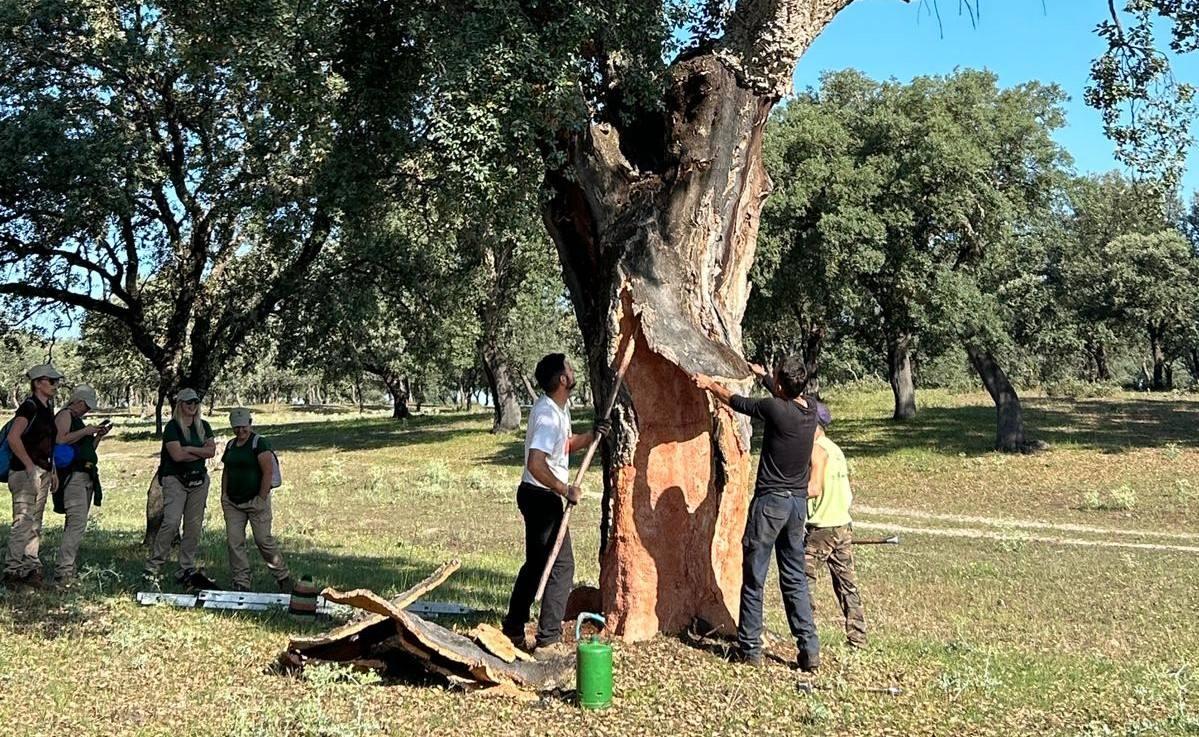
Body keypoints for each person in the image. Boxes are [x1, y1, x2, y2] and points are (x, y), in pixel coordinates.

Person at [692, 355, 820, 671]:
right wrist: (764, 375)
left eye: (775, 378)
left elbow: (738, 402)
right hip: (797, 506)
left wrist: (710, 385)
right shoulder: (811, 410)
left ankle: (749, 648)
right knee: (794, 579)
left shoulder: (775, 409)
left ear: (780, 385)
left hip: (770, 505)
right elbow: (782, 393)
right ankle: (809, 649)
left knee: (755, 576)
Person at [502, 353, 608, 656]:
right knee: (562, 566)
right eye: (570, 369)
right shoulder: (547, 414)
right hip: (540, 497)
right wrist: (565, 489)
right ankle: (548, 639)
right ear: (563, 379)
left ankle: (513, 628)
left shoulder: (558, 409)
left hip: (536, 495)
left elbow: (563, 445)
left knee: (536, 564)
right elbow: (536, 462)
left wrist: (592, 436)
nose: (573, 372)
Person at [805, 401, 867, 648]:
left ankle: (808, 637)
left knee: (802, 580)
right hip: (842, 523)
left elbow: (812, 489)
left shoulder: (815, 450)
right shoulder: (836, 449)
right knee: (847, 585)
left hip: (823, 527)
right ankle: (858, 638)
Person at [144, 388, 216, 588]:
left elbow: (211, 452)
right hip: (175, 478)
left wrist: (191, 449)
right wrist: (199, 453)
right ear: (180, 405)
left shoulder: (204, 426)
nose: (192, 406)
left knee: (193, 525)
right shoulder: (173, 427)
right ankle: (154, 564)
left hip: (198, 480)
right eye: (187, 402)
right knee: (172, 521)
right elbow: (177, 456)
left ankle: (186, 566)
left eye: (195, 402)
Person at [3, 364, 64, 588]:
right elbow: (13, 437)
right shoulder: (29, 407)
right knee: (23, 521)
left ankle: (30, 568)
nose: (55, 385)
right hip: (24, 472)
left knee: (35, 522)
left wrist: (53, 470)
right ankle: (13, 571)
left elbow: (47, 444)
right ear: (38, 383)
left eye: (57, 381)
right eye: (51, 381)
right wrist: (30, 467)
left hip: (44, 471)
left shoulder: (47, 408)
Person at [220, 407, 291, 592]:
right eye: (236, 428)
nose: (240, 431)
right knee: (234, 542)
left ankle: (283, 576)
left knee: (263, 540)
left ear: (250, 424)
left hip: (256, 501)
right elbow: (227, 470)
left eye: (244, 427)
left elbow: (267, 472)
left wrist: (261, 497)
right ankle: (241, 582)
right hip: (233, 502)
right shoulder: (230, 445)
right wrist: (224, 495)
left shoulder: (260, 443)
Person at [52, 384, 111, 585]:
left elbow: (86, 449)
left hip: (86, 474)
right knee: (76, 523)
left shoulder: (79, 421)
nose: (88, 410)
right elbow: (60, 440)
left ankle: (69, 566)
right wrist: (85, 430)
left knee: (76, 524)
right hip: (72, 476)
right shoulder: (65, 416)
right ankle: (64, 570)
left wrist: (97, 436)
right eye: (86, 405)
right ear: (77, 401)